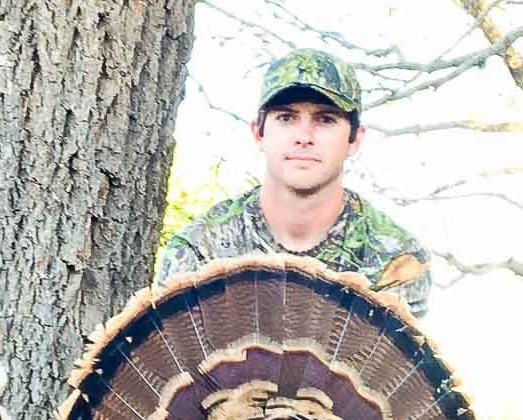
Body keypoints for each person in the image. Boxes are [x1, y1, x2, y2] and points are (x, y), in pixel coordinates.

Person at [154, 48, 431, 318]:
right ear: (259, 134)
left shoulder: (395, 259)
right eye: (286, 117)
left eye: (325, 119)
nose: (304, 136)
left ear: (355, 139)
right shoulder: (199, 250)